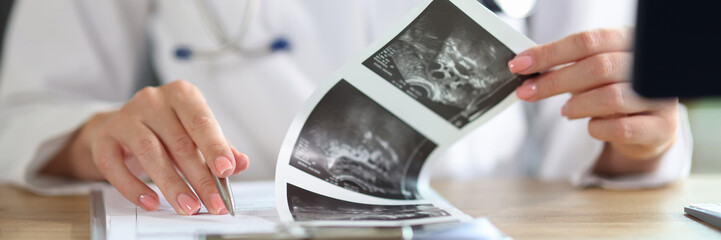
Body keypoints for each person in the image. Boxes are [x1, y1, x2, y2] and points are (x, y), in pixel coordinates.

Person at [0, 0, 691, 215]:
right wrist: (99, 135)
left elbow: (604, 128)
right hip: (225, 218)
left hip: (485, 211)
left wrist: (638, 131)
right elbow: (25, 110)